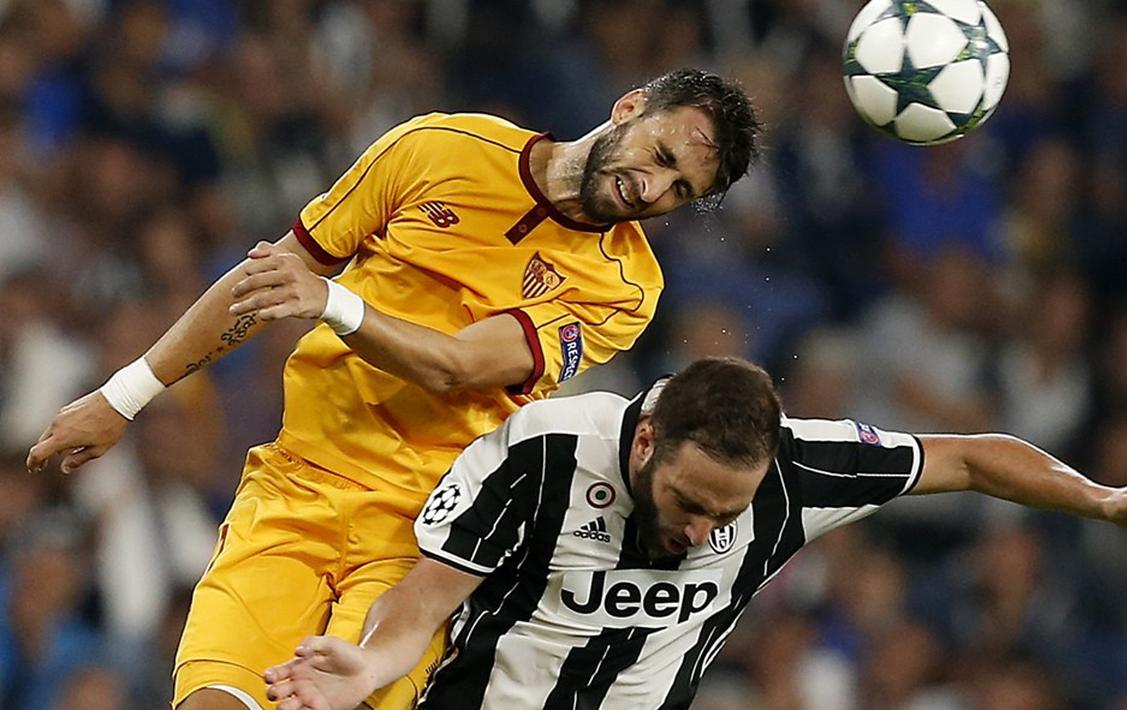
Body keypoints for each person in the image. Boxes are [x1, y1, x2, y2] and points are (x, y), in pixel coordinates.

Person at [25, 68, 762, 710]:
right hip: (293, 487)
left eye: (681, 191)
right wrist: (121, 396)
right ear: (630, 107)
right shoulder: (440, 148)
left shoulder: (625, 287)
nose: (654, 190)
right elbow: (271, 276)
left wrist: (335, 304)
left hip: (427, 532)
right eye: (662, 157)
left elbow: (457, 366)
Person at [262, 357, 1127, 710]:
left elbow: (964, 455)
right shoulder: (543, 454)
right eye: (689, 501)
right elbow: (431, 591)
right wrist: (373, 667)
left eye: (729, 510)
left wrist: (1097, 498)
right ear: (644, 441)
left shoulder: (797, 468)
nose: (705, 528)